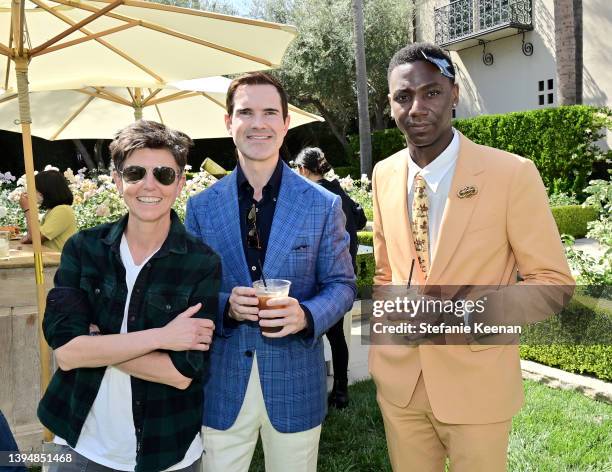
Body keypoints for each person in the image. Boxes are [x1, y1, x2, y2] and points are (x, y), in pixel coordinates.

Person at [369, 43, 574, 471]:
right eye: (403, 97)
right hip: (400, 385)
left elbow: (553, 283)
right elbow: (387, 270)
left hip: (477, 385)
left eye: (431, 93)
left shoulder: (511, 174)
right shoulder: (383, 174)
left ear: (454, 94)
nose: (417, 107)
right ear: (389, 104)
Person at [185, 72, 356, 472]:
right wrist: (225, 305)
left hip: (296, 383)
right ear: (228, 122)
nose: (258, 123)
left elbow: (342, 285)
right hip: (222, 385)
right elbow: (189, 291)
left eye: (269, 112)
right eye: (245, 111)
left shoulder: (322, 205)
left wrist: (307, 314)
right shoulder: (201, 207)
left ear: (285, 123)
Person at [37, 120, 221, 472]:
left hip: (167, 452)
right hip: (78, 444)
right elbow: (66, 353)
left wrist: (94, 344)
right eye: (136, 172)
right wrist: (162, 337)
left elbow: (181, 373)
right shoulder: (84, 249)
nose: (149, 185)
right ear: (118, 179)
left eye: (164, 174)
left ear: (180, 183)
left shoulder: (202, 263)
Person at [294, 147, 366, 409]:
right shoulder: (338, 191)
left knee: (312, 332)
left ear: (303, 169)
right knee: (337, 337)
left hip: (321, 278)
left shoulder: (313, 196)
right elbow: (360, 219)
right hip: (344, 276)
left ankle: (321, 390)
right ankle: (341, 389)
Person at [19, 169, 77, 251]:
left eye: (35, 189)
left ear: (46, 190)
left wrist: (27, 209)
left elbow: (36, 238)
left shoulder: (62, 210)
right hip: (51, 259)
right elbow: (34, 235)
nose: (32, 192)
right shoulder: (53, 210)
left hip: (59, 261)